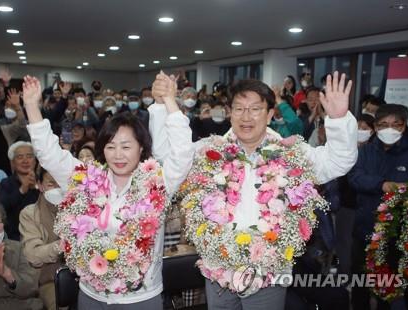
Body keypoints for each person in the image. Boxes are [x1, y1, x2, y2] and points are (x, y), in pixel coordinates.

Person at [152, 71, 358, 310]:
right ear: (230, 113)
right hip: (218, 268)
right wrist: (160, 106)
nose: (246, 117)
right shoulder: (209, 152)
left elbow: (338, 161)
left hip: (267, 273)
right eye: (239, 108)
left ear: (270, 114)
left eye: (255, 109)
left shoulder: (291, 154)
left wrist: (339, 119)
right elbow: (169, 158)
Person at [22, 74, 193, 309]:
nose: (118, 155)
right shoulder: (87, 179)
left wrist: (169, 101)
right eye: (111, 147)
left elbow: (183, 153)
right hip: (92, 295)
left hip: (141, 298)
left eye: (126, 146)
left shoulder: (158, 183)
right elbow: (50, 156)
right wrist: (32, 107)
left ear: (141, 148)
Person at [348, 104, 408, 310]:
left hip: (397, 232)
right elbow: (354, 178)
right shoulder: (365, 151)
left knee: (390, 285)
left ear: (405, 126)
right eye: (384, 124)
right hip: (365, 227)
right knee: (361, 282)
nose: (390, 129)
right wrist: (382, 184)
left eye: (396, 125)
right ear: (375, 127)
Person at [19, 167, 63, 310]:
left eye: (61, 183)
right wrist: (63, 245)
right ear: (40, 185)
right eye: (51, 184)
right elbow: (32, 255)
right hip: (49, 279)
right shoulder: (30, 213)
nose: (57, 188)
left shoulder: (79, 208)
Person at [0, 141, 39, 241]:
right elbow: (0, 207)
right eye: (20, 157)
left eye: (29, 156)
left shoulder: (43, 181)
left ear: (35, 161)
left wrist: (36, 187)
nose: (25, 161)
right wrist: (22, 190)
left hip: (42, 234)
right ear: (13, 163)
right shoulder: (5, 183)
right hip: (15, 237)